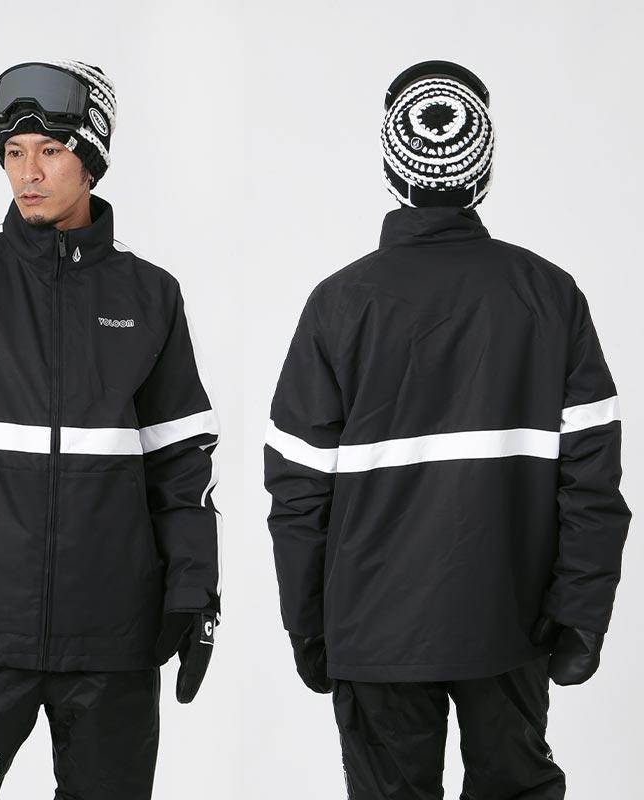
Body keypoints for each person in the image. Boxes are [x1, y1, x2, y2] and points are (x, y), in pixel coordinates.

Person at [263, 60, 631, 799]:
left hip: (374, 628)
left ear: (392, 173)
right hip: (510, 622)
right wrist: (582, 612)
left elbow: (297, 492)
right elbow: (592, 479)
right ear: (482, 175)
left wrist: (306, 622)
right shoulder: (549, 295)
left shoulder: (339, 304)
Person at [0, 59, 222, 800]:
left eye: (50, 150)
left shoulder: (151, 296)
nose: (27, 173)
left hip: (112, 642)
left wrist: (196, 592)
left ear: (91, 161)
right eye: (14, 152)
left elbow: (183, 468)